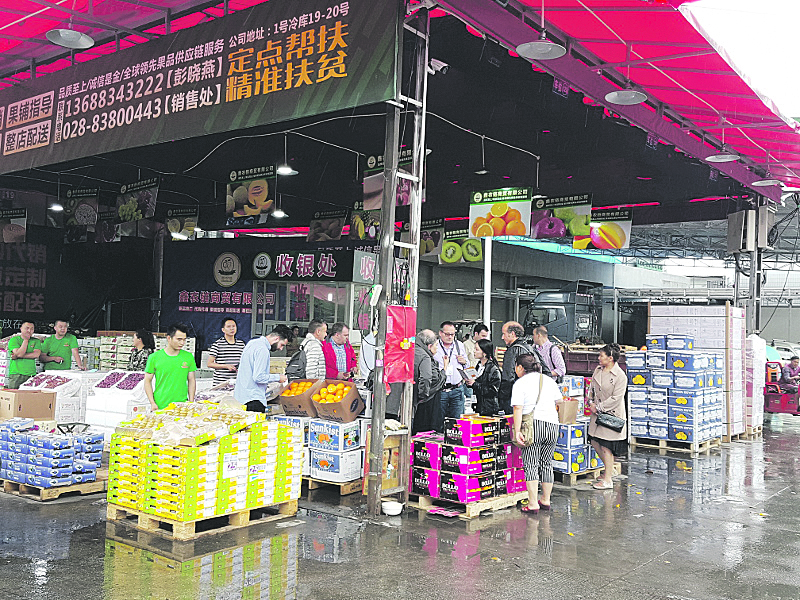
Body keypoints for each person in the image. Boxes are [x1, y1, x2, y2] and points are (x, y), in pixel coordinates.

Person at [511, 353, 560, 514]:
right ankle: (545, 500)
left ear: (520, 367)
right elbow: (559, 402)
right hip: (552, 424)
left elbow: (517, 408)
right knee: (546, 463)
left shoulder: (520, 383)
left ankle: (533, 503)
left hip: (533, 425)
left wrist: (517, 430)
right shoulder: (548, 380)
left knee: (531, 463)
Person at [587, 343, 627, 490]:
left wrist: (599, 407)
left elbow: (616, 398)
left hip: (610, 414)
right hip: (596, 413)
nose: (599, 358)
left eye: (601, 356)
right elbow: (591, 388)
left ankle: (608, 479)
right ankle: (610, 469)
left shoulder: (620, 376)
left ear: (610, 358)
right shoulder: (598, 370)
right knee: (594, 442)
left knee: (606, 446)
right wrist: (590, 402)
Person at [234, 325, 292, 411]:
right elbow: (258, 377)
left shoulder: (252, 343)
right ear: (276, 338)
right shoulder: (263, 350)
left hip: (241, 398)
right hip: (253, 400)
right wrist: (278, 377)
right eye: (282, 345)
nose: (280, 348)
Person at [144, 324, 197, 411]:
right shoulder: (154, 357)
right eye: (179, 339)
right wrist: (152, 403)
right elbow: (147, 381)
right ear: (169, 338)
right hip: (160, 405)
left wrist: (191, 402)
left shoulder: (188, 357)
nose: (182, 343)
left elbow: (191, 380)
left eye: (184, 340)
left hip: (182, 405)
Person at [410, 329, 447, 434]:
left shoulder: (411, 350)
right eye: (436, 345)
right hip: (423, 402)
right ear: (429, 346)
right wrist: (423, 395)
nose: (437, 349)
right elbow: (428, 378)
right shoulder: (425, 356)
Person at [432, 321, 469, 421]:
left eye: (452, 334)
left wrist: (464, 361)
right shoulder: (435, 346)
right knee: (439, 420)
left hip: (457, 388)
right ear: (440, 333)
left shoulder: (459, 345)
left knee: (457, 422)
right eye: (447, 334)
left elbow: (467, 365)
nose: (450, 337)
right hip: (441, 389)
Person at [498, 321, 534, 415]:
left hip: (515, 397)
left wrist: (501, 399)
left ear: (512, 334)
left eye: (504, 334)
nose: (502, 337)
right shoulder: (530, 348)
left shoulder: (512, 351)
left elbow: (508, 378)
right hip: (531, 396)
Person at [207, 317, 246, 386]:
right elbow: (209, 363)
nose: (232, 328)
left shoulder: (241, 344)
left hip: (237, 383)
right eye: (228, 326)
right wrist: (226, 366)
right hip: (221, 383)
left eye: (233, 326)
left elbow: (245, 361)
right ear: (223, 330)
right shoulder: (218, 344)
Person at [466, 338, 501, 416]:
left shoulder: (493, 369)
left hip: (489, 407)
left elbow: (493, 391)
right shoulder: (478, 366)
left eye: (477, 349)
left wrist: (475, 384)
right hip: (478, 404)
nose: (474, 351)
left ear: (484, 353)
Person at [6, 321, 42, 389]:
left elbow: (36, 354)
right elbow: (20, 353)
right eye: (27, 328)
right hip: (16, 373)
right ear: (21, 328)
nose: (29, 331)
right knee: (14, 395)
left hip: (31, 373)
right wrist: (26, 340)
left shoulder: (36, 341)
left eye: (32, 329)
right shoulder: (14, 340)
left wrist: (17, 356)